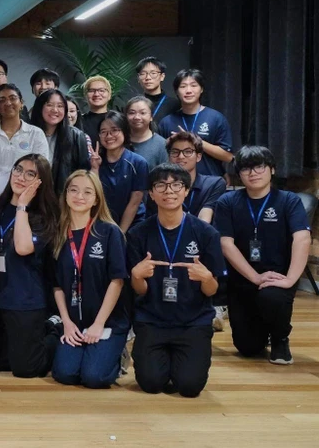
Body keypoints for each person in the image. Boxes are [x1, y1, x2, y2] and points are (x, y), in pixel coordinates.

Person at [127, 163, 223, 398]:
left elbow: (212, 290)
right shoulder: (138, 234)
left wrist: (206, 277)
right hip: (152, 320)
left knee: (190, 387)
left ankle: (178, 361)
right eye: (161, 185)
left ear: (186, 191)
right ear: (151, 193)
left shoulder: (205, 233)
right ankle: (163, 360)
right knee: (151, 384)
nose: (169, 191)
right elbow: (138, 290)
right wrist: (137, 275)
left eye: (176, 185)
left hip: (192, 321)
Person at [213, 146, 311, 365]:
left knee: (272, 297)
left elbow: (302, 239)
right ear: (239, 174)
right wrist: (255, 278)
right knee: (247, 348)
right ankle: (262, 329)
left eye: (259, 166)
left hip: (278, 277)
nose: (253, 173)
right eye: (246, 168)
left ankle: (280, 338)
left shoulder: (288, 201)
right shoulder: (227, 202)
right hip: (242, 279)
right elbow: (225, 243)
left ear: (272, 170)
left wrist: (290, 280)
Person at [50, 171, 129, 389]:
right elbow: (57, 285)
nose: (79, 196)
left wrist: (99, 324)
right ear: (65, 195)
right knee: (64, 374)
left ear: (96, 199)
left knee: (95, 377)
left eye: (87, 191)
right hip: (75, 322)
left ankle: (118, 353)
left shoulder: (109, 232)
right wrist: (66, 322)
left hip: (106, 323)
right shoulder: (58, 233)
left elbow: (117, 281)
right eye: (73, 190)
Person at [0, 154, 60, 378]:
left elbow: (22, 247)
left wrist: (22, 207)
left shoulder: (44, 217)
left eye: (31, 174)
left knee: (25, 369)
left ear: (41, 182)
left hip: (26, 301)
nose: (21, 177)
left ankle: (55, 332)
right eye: (18, 169)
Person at [0, 84, 48, 198]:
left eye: (13, 98)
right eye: (2, 100)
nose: (8, 103)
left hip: (27, 199)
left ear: (21, 103)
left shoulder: (36, 134)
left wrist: (22, 198)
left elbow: (41, 169)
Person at [156, 69, 233, 178]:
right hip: (176, 184)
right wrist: (168, 144)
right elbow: (159, 157)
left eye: (193, 85)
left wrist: (195, 140)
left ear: (201, 89)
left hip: (210, 182)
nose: (188, 90)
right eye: (183, 86)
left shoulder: (216, 118)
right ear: (177, 91)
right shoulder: (167, 122)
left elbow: (228, 157)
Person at [146, 131, 226, 222]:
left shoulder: (214, 184)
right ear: (169, 156)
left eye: (188, 152)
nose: (181, 156)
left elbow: (205, 219)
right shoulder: (159, 186)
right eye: (175, 152)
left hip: (199, 233)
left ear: (198, 157)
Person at [91, 112, 147, 232]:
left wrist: (121, 233)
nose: (109, 135)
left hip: (132, 226)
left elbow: (134, 202)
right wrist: (95, 168)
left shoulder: (138, 162)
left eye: (114, 130)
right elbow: (93, 195)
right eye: (103, 132)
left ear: (124, 131)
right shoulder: (93, 162)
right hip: (101, 224)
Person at [29, 88, 90, 193]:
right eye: (49, 105)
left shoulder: (77, 136)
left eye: (60, 106)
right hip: (32, 194)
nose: (55, 110)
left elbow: (83, 172)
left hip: (63, 197)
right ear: (40, 107)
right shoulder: (28, 133)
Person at [126, 96, 168, 169]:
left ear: (151, 116)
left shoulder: (162, 144)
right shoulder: (119, 141)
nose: (137, 117)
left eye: (142, 113)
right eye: (132, 113)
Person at [135, 56, 180, 123]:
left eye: (153, 73)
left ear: (162, 76)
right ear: (138, 78)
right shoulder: (134, 104)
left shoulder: (175, 105)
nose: (148, 77)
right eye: (143, 74)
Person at [78, 75, 117, 148]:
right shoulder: (79, 121)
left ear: (109, 95)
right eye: (91, 91)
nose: (96, 94)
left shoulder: (118, 119)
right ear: (85, 96)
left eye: (101, 90)